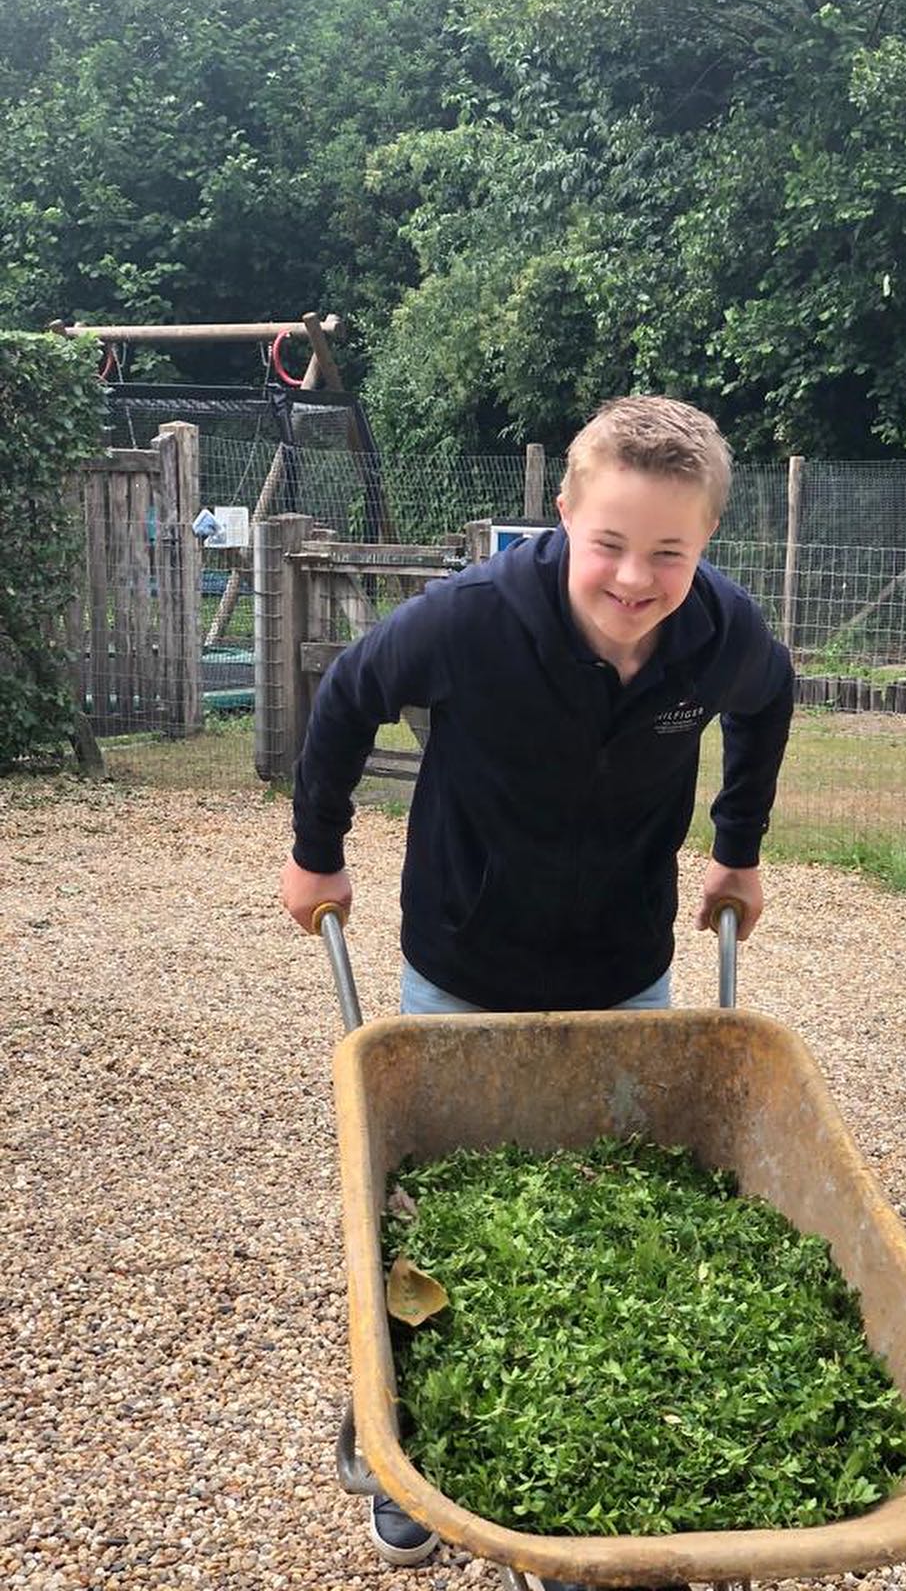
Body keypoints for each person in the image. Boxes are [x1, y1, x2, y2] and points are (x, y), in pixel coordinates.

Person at [280, 394, 794, 1567]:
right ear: (562, 512)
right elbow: (349, 695)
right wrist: (316, 850)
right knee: (434, 1208)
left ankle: (633, 1432)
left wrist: (739, 848)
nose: (632, 576)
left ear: (706, 542)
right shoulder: (467, 623)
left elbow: (767, 709)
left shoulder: (722, 637)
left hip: (626, 967)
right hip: (463, 962)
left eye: (668, 550)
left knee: (622, 1206)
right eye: (609, 541)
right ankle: (410, 1446)